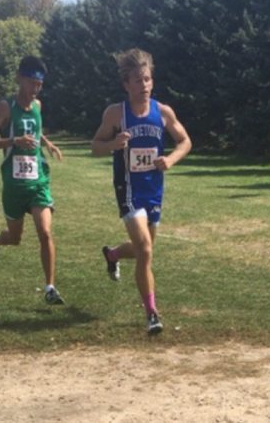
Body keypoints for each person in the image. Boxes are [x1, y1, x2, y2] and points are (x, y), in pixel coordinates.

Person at [91, 48, 192, 335]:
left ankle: (112, 255)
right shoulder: (115, 114)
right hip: (128, 189)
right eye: (138, 80)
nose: (144, 86)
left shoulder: (163, 112)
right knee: (146, 249)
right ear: (126, 84)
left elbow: (185, 141)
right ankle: (152, 313)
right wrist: (112, 145)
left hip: (153, 190)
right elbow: (95, 145)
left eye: (147, 79)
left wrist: (170, 159)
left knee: (141, 250)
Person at [0, 56, 65, 305]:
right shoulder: (5, 107)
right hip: (14, 185)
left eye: (38, 85)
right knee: (15, 238)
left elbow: (36, 132)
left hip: (38, 181)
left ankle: (50, 287)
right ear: (19, 79)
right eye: (30, 83)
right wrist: (13, 141)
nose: (34, 90)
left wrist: (47, 143)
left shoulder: (38, 106)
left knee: (45, 231)